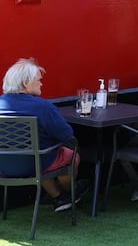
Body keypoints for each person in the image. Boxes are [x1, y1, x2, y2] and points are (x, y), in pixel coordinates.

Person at [0, 59, 85, 213]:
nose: (41, 83)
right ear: (26, 83)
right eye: (38, 80)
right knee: (70, 155)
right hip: (36, 164)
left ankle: (58, 197)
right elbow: (66, 135)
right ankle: (69, 194)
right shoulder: (43, 107)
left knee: (40, 153)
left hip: (4, 166)